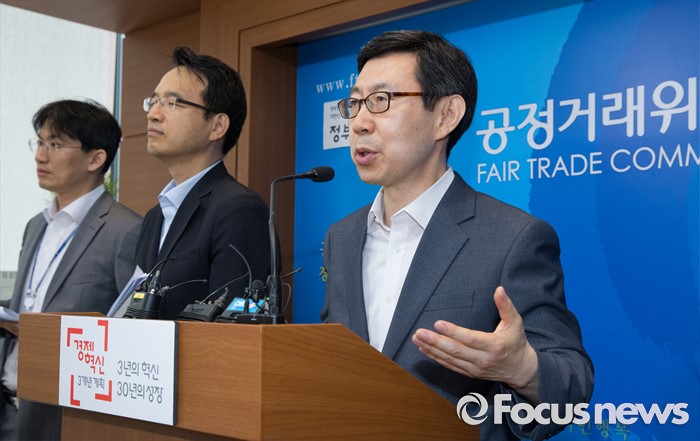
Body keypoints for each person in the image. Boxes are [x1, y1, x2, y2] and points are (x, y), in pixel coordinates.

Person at [321, 30, 593, 440]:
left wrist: (521, 369)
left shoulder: (514, 237)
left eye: (381, 100)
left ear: (446, 115)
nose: (358, 123)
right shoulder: (341, 237)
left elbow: (573, 387)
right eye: (355, 103)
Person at [0, 99, 142, 441]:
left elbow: (132, 332)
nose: (40, 156)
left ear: (96, 159)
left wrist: (47, 331)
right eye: (40, 143)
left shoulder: (126, 230)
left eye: (55, 145)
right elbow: (29, 301)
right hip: (9, 406)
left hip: (64, 416)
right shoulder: (37, 225)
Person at [134, 47, 270, 320]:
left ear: (217, 126)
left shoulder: (239, 209)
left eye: (172, 103)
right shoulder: (154, 217)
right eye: (154, 101)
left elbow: (235, 324)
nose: (153, 114)